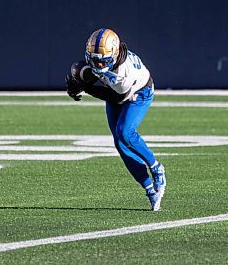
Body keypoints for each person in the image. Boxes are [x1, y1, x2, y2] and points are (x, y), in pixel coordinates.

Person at [65, 28, 166, 211]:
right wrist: (76, 81)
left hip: (138, 93)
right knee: (119, 143)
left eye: (102, 60)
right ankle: (149, 189)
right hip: (117, 93)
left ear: (114, 54)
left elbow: (116, 97)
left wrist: (85, 88)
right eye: (94, 59)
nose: (97, 64)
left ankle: (156, 167)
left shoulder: (123, 74)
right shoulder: (107, 61)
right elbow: (86, 72)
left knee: (125, 132)